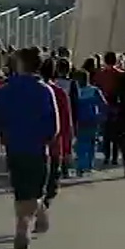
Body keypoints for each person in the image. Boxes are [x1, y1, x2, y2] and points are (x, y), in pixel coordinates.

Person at [0, 48, 59, 249]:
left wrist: (2, 137)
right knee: (35, 189)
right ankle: (26, 223)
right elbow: (54, 125)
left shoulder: (4, 90)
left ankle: (27, 220)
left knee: (21, 190)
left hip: (15, 147)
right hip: (37, 148)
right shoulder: (44, 90)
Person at [40, 57, 74, 210]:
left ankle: (35, 211)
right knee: (51, 185)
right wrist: (67, 148)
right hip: (54, 146)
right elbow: (66, 123)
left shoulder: (35, 90)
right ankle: (43, 207)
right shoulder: (59, 93)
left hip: (32, 145)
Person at [73, 70, 107, 175]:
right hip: (93, 119)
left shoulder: (75, 92)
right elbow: (103, 104)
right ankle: (88, 165)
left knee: (81, 143)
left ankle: (80, 166)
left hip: (79, 120)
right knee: (92, 143)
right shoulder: (94, 90)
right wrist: (101, 116)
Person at [92, 52, 123, 166]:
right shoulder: (120, 74)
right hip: (116, 104)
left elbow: (96, 87)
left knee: (106, 133)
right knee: (116, 133)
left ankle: (106, 156)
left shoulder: (100, 74)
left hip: (104, 105)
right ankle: (114, 156)